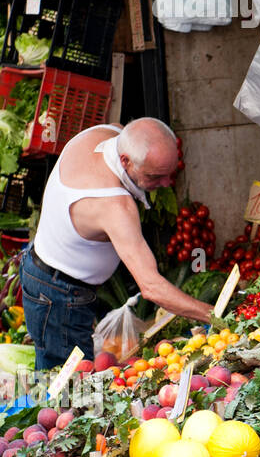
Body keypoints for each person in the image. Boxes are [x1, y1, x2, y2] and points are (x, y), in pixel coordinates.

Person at [22, 119, 215, 370]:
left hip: (43, 272)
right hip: (59, 295)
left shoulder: (106, 133)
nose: (167, 183)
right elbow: (152, 288)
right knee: (65, 391)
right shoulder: (115, 206)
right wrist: (213, 314)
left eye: (171, 173)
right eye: (155, 176)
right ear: (125, 161)